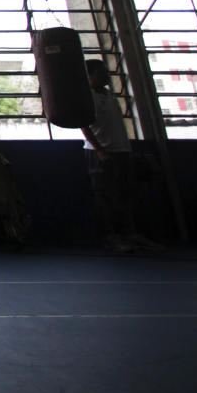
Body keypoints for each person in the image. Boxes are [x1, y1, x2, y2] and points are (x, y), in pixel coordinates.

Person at [81, 59, 162, 253]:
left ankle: (130, 234)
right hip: (102, 154)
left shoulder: (109, 95)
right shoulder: (88, 97)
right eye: (101, 72)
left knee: (124, 195)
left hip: (121, 151)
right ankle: (111, 237)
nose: (106, 75)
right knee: (106, 197)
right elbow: (84, 125)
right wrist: (99, 149)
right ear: (90, 76)